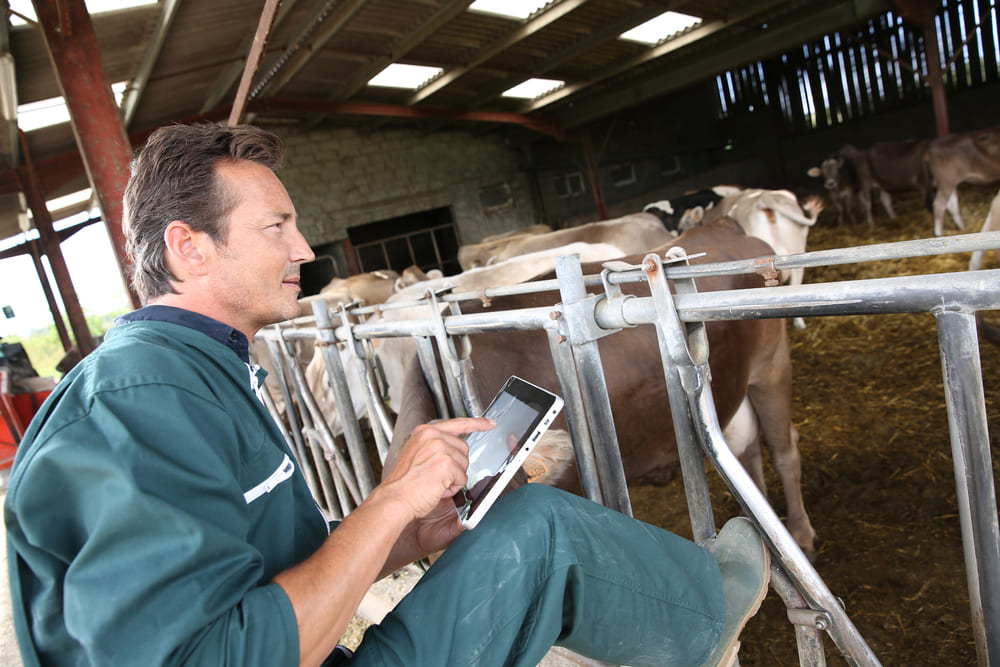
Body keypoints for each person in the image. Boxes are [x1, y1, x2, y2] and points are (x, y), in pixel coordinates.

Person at [4, 123, 769, 667]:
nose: (304, 249)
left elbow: (264, 579)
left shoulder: (193, 372)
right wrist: (388, 503)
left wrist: (409, 535)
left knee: (522, 517)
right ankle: (707, 616)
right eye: (277, 226)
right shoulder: (138, 404)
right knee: (544, 536)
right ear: (187, 246)